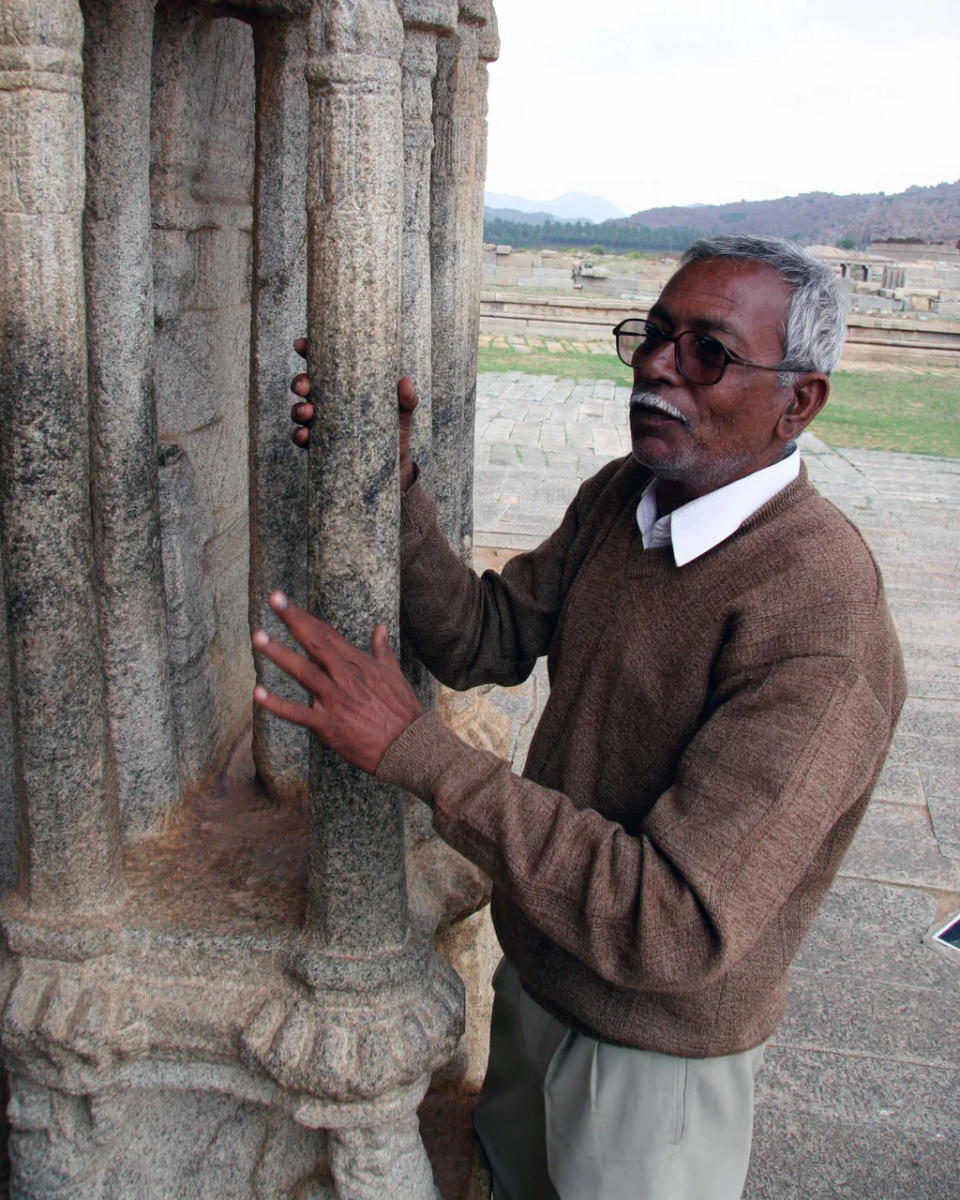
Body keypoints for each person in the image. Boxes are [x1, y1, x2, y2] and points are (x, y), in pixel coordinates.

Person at [253, 235, 906, 1200]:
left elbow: (672, 926)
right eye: (654, 334)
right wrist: (396, 488)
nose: (657, 365)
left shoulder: (817, 621)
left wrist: (419, 754)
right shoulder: (631, 496)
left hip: (654, 1062)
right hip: (545, 983)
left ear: (798, 401)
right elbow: (486, 637)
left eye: (708, 353)